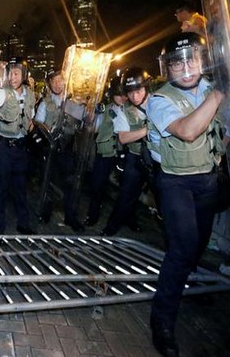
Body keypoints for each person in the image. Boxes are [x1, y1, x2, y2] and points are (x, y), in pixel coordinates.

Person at [146, 32, 225, 357]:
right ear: (169, 68)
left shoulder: (210, 86)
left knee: (199, 242)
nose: (186, 67)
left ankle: (190, 282)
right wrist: (220, 92)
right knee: (180, 249)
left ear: (203, 60)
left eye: (191, 59)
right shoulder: (159, 99)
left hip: (208, 179)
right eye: (177, 62)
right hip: (175, 182)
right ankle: (161, 322)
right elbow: (189, 131)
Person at [100, 67, 154, 236]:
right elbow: (123, 138)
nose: (134, 96)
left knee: (166, 201)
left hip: (159, 160)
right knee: (126, 195)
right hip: (136, 158)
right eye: (130, 92)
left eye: (138, 91)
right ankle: (111, 228)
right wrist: (148, 129)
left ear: (146, 88)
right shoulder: (123, 110)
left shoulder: (159, 102)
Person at [34, 68, 85, 233]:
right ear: (50, 84)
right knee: (47, 181)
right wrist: (48, 131)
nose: (57, 84)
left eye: (59, 80)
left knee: (71, 183)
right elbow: (39, 122)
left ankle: (71, 217)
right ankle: (45, 213)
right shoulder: (45, 102)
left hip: (67, 148)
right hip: (50, 148)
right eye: (53, 81)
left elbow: (82, 123)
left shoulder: (72, 103)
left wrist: (87, 111)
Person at [0, 58, 36, 235]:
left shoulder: (30, 94)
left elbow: (30, 117)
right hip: (3, 148)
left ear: (24, 75)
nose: (12, 77)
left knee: (20, 188)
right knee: (0, 189)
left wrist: (31, 127)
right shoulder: (1, 93)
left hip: (21, 147)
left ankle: (23, 225)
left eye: (16, 73)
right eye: (10, 72)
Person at [84, 75, 127, 226]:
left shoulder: (130, 109)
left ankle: (129, 219)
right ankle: (92, 215)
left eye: (124, 94)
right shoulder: (104, 109)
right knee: (97, 185)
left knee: (127, 189)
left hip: (123, 153)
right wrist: (93, 116)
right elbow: (94, 128)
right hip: (105, 152)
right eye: (118, 94)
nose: (122, 97)